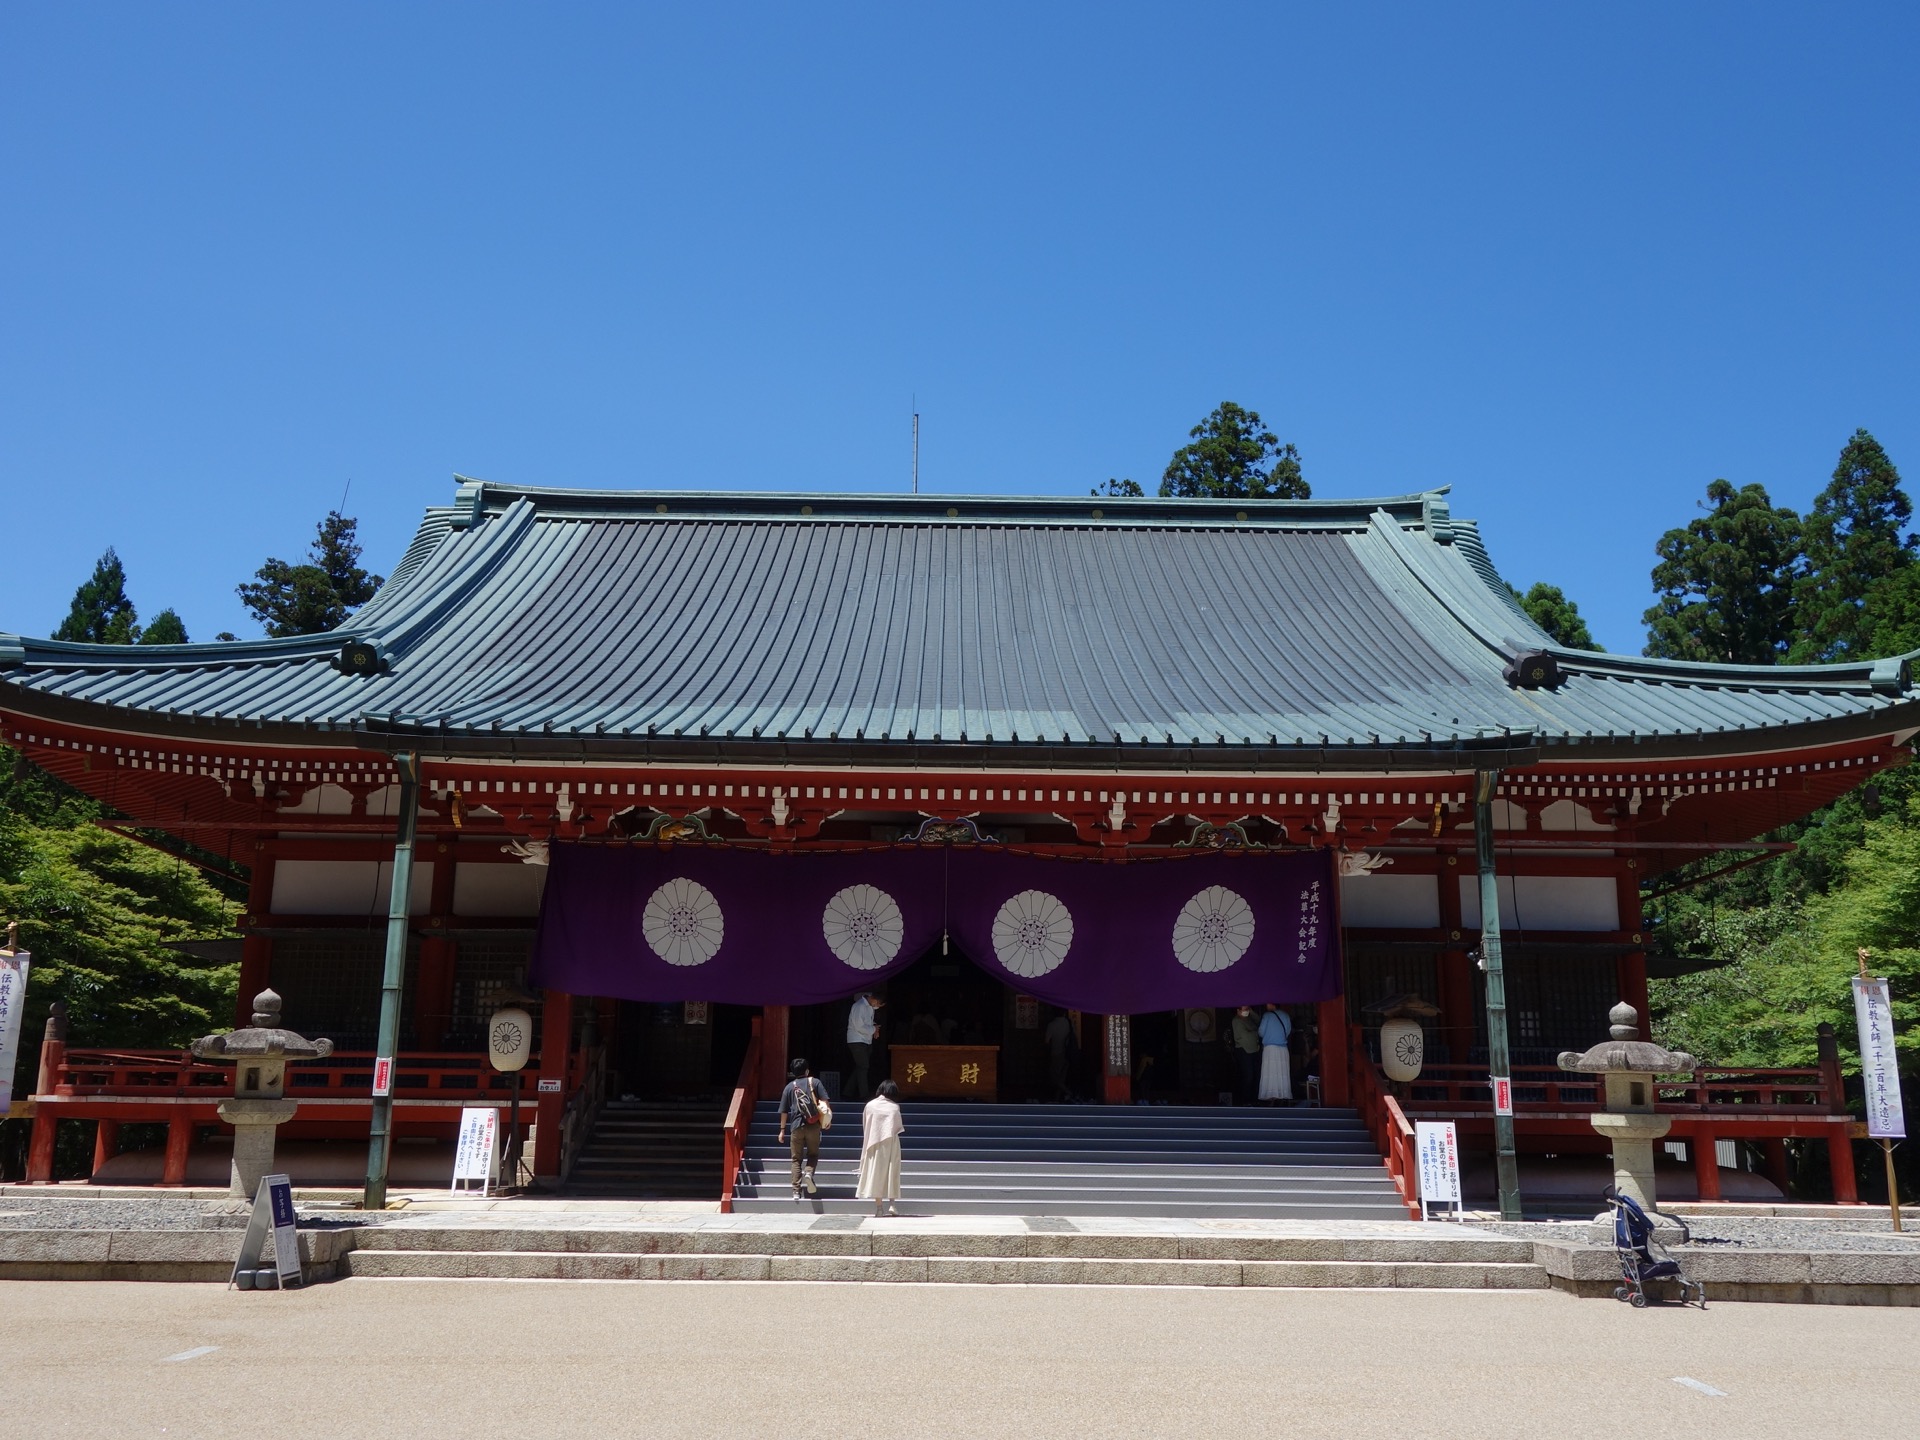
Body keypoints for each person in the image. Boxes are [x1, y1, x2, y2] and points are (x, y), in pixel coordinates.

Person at [776, 1057, 828, 1198]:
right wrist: (827, 1119)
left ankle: (796, 1191)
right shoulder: (815, 1082)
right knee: (813, 1154)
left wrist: (782, 1131)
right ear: (807, 1070)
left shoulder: (789, 1087)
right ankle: (809, 1173)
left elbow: (784, 1111)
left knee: (796, 1159)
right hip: (813, 1125)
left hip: (796, 1126)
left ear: (792, 1072)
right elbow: (824, 1102)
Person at [857, 1078, 906, 1217]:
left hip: (873, 1143)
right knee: (892, 1173)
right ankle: (892, 1205)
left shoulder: (870, 1105)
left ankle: (879, 1208)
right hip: (891, 1143)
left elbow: (866, 1124)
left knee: (876, 1174)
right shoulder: (895, 1107)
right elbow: (897, 1127)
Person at [846, 991, 883, 1101]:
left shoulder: (870, 1007)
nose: (878, 1007)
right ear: (874, 999)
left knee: (860, 1066)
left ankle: (847, 1092)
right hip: (856, 1040)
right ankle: (864, 1095)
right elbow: (859, 1027)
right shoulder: (859, 1006)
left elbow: (869, 1022)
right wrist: (873, 1029)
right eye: (879, 1004)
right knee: (863, 1066)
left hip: (866, 1040)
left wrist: (875, 1027)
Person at [1257, 1003, 1293, 1105]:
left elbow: (1261, 1032)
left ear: (1272, 1004)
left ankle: (1271, 1097)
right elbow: (1288, 1031)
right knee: (1282, 1073)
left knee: (1270, 1072)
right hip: (1283, 1049)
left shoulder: (1267, 1016)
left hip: (1270, 1048)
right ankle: (1282, 1095)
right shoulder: (1285, 1015)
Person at [1229, 1005, 1262, 1104]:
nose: (1246, 1011)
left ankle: (1255, 1099)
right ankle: (1245, 1100)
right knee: (1248, 1077)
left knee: (1256, 1076)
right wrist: (1258, 1032)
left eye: (1248, 1009)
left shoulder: (1249, 1018)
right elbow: (1246, 1035)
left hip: (1254, 1050)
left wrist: (1251, 1012)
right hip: (1244, 1051)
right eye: (1245, 1009)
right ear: (1238, 1010)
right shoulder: (1236, 1021)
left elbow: (1260, 1023)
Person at [1044, 1009, 1075, 1101]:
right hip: (1068, 1053)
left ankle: (1069, 1092)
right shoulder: (1068, 1023)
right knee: (1062, 1077)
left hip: (1056, 1053)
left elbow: (1046, 1041)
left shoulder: (1051, 1025)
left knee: (1054, 1077)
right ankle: (1057, 1098)